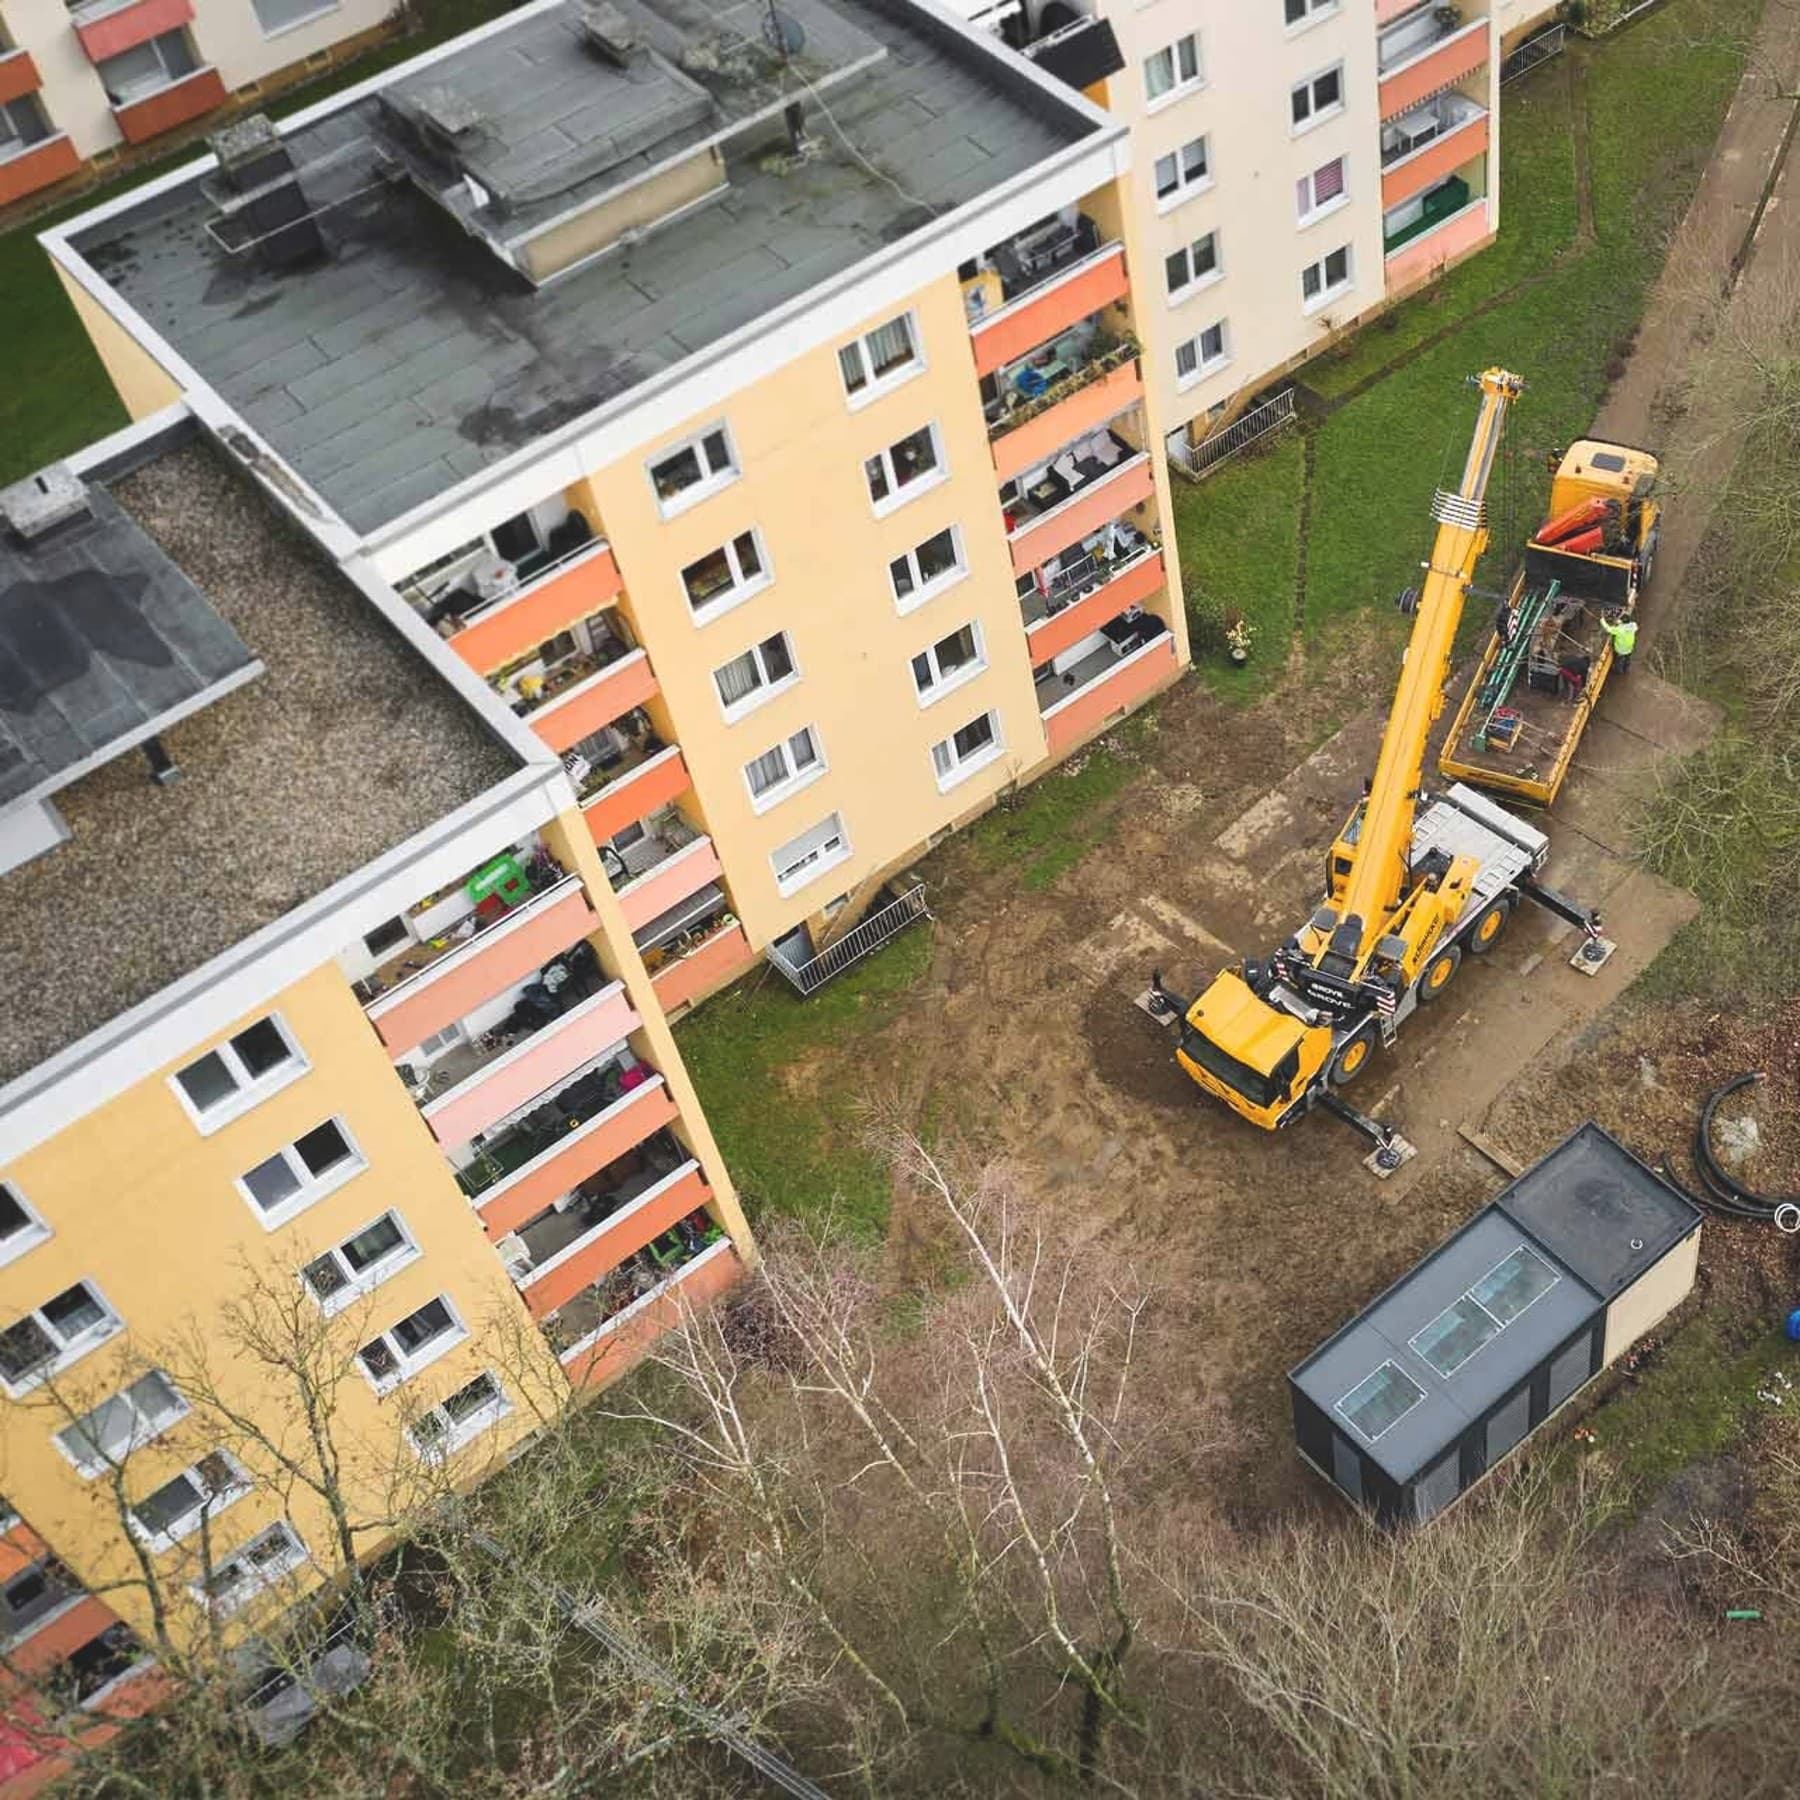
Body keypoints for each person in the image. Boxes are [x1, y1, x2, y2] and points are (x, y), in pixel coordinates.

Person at [1599, 610, 1638, 675]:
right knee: (1627, 659)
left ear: (1622, 622)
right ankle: (1626, 669)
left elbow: (1608, 629)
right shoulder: (1633, 625)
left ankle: (1618, 671)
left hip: (1620, 650)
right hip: (1629, 648)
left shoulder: (1619, 630)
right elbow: (1628, 626)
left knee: (1618, 661)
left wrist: (1602, 620)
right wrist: (1619, 622)